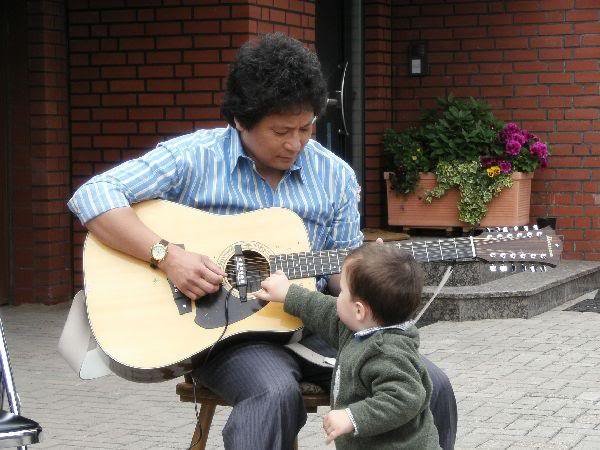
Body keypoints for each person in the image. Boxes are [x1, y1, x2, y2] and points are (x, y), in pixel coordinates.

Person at [67, 32, 456, 449]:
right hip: (226, 334)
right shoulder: (193, 157)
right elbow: (93, 196)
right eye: (280, 130)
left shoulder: (335, 175)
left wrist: (363, 272)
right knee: (273, 394)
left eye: (306, 127)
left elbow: (338, 280)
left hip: (316, 324)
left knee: (430, 384)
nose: (296, 143)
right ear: (240, 120)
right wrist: (167, 255)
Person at [256, 243, 441, 449]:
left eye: (342, 291)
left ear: (359, 310)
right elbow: (323, 310)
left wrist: (352, 417)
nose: (337, 297)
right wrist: (288, 293)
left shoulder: (386, 351)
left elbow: (404, 398)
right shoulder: (359, 329)